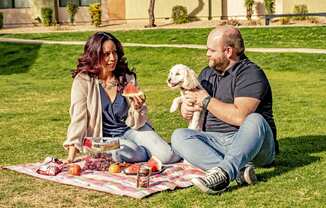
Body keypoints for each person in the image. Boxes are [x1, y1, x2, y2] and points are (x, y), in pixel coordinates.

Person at [171, 26, 279, 194]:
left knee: (254, 119)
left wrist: (206, 99)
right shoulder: (206, 73)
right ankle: (238, 172)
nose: (207, 54)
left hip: (254, 145)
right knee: (179, 136)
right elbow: (197, 107)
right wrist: (187, 108)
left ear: (228, 51)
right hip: (217, 142)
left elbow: (240, 117)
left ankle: (224, 173)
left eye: (211, 50)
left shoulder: (250, 74)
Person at [63, 32, 180, 164]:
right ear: (95, 55)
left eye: (115, 52)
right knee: (121, 151)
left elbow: (139, 122)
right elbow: (78, 118)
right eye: (106, 54)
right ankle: (143, 152)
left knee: (167, 156)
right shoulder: (83, 81)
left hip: (130, 129)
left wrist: (137, 108)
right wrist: (71, 155)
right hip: (99, 140)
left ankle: (148, 150)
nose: (113, 58)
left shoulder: (126, 78)